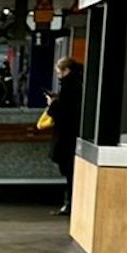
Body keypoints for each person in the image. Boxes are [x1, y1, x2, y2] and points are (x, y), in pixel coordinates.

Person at [45, 58, 83, 216]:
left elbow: (61, 112)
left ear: (66, 70)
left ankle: (69, 204)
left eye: (59, 72)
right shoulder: (79, 84)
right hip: (73, 134)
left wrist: (52, 103)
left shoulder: (69, 87)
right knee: (70, 170)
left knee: (68, 170)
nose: (59, 76)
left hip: (67, 135)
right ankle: (69, 203)